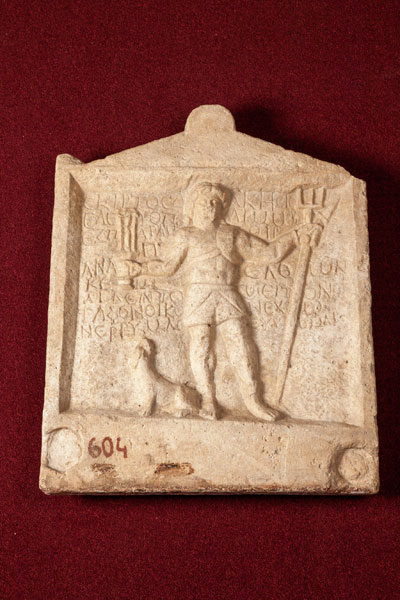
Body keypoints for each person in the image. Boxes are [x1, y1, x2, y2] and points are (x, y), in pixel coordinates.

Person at [132, 181, 321, 421]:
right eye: (205, 202)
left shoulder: (231, 234)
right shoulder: (186, 235)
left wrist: (294, 236)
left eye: (216, 202)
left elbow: (267, 254)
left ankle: (253, 400)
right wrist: (138, 268)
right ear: (193, 206)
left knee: (241, 345)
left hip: (226, 293)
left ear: (223, 208)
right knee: (201, 347)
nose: (210, 207)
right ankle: (207, 400)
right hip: (199, 295)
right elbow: (167, 267)